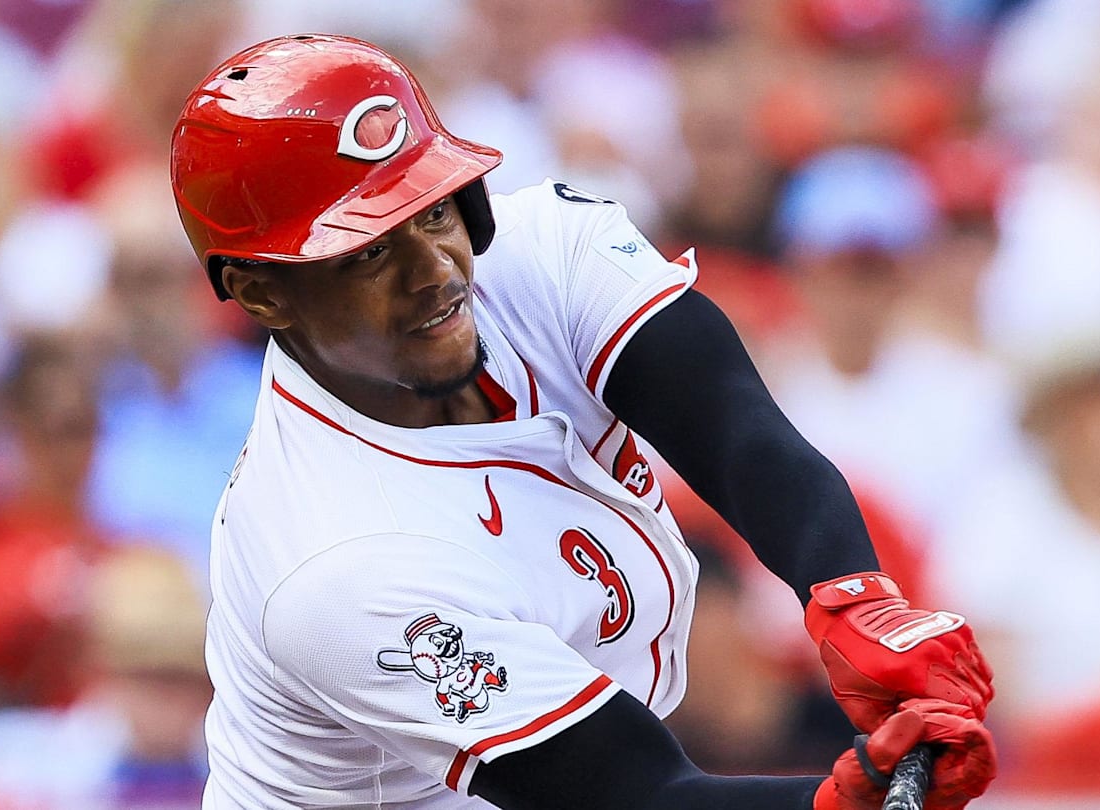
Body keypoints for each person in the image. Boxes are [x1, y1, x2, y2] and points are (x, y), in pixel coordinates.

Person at [169, 34, 996, 809]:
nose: (436, 272)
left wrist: (851, 595)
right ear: (261, 292)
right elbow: (633, 795)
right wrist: (850, 797)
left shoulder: (539, 250)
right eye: (371, 251)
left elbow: (730, 421)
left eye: (432, 211)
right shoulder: (333, 566)